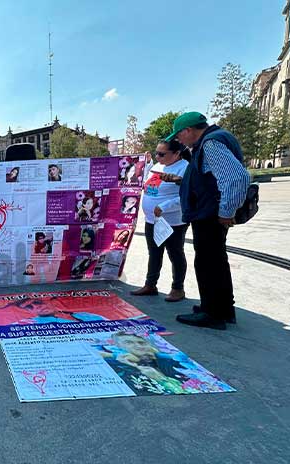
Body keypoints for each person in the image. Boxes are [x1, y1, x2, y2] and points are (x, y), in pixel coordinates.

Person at [165, 111, 250, 330]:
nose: (178, 141)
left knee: (207, 262)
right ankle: (221, 308)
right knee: (216, 260)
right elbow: (209, 178)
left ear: (188, 130)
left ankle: (213, 314)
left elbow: (236, 177)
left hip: (210, 214)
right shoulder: (214, 139)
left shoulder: (211, 144)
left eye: (179, 136)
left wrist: (226, 211)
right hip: (210, 211)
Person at [131, 140, 190, 302]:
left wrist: (164, 206)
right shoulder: (159, 165)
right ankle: (150, 284)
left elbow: (187, 196)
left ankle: (178, 288)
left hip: (173, 221)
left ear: (176, 154)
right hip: (153, 220)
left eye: (162, 154)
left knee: (175, 253)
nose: (158, 156)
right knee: (154, 253)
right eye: (156, 153)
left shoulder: (185, 168)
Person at [102, 332, 189, 395]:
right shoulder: (115, 361)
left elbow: (185, 390)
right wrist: (114, 355)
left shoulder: (166, 360)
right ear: (118, 346)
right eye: (129, 343)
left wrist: (161, 379)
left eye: (142, 343)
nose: (138, 346)